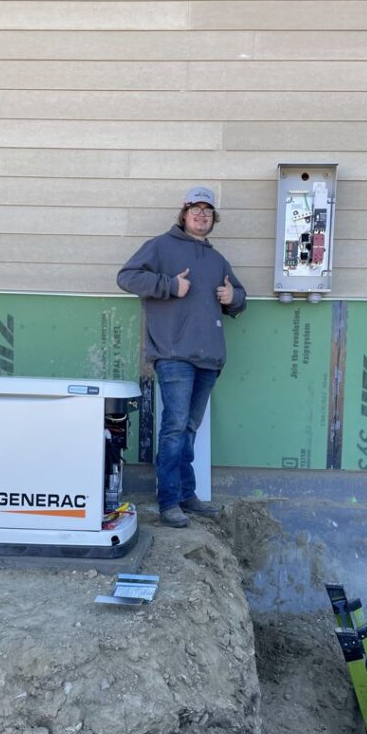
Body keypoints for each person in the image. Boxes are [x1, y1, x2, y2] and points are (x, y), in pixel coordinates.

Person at [117, 185, 247, 527]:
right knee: (174, 428)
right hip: (174, 355)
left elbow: (241, 297)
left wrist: (232, 296)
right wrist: (170, 286)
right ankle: (169, 502)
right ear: (184, 214)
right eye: (196, 209)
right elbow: (127, 277)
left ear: (213, 218)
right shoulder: (160, 246)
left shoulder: (217, 259)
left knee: (189, 428)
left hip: (209, 358)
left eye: (208, 210)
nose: (201, 215)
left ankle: (187, 496)